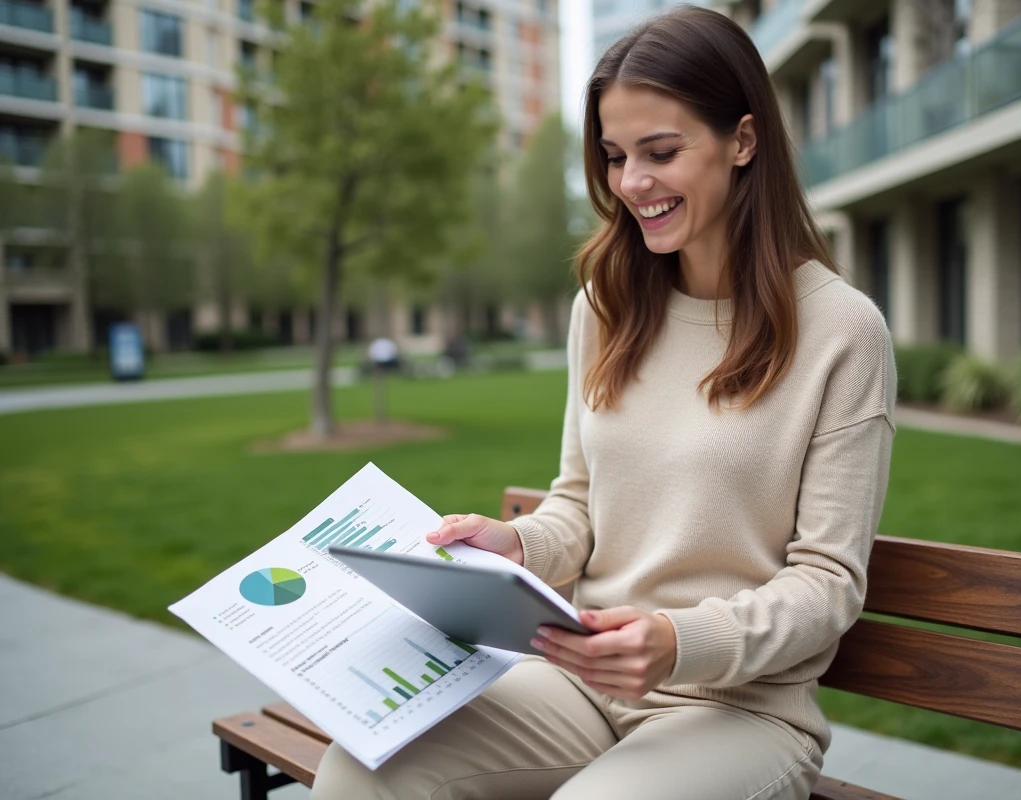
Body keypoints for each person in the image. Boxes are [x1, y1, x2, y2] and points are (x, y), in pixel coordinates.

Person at [312, 6, 896, 799]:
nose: (631, 184)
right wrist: (516, 546)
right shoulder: (608, 306)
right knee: (361, 763)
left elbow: (829, 584)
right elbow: (579, 504)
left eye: (660, 152)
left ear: (744, 142)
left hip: (740, 710)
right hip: (581, 681)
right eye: (617, 156)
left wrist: (676, 641)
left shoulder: (842, 331)